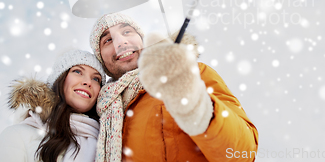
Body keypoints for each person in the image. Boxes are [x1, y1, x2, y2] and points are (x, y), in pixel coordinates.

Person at [90, 12, 259, 162]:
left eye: (126, 32)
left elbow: (242, 153)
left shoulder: (191, 72)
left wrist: (197, 106)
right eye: (108, 40)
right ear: (101, 60)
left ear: (142, 40)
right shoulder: (101, 110)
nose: (121, 42)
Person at [0, 50, 105, 162]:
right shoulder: (18, 134)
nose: (88, 82)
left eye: (96, 79)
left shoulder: (106, 143)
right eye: (77, 71)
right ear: (59, 79)